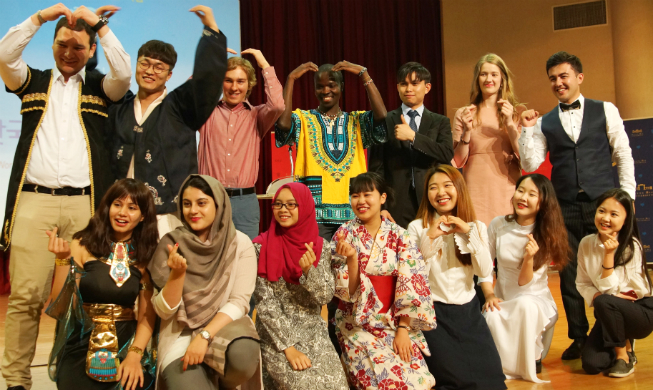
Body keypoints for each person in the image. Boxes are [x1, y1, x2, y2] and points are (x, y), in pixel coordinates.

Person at [0, 5, 131, 388]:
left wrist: (99, 26)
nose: (69, 52)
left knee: (93, 295)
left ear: (91, 51)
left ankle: (84, 374)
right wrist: (39, 18)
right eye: (62, 44)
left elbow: (123, 72)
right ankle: (16, 382)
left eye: (78, 46)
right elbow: (6, 54)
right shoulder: (32, 80)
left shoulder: (100, 87)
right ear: (53, 44)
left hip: (86, 205)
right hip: (34, 201)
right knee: (24, 298)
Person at [519, 51, 636, 360]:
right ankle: (580, 337)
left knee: (613, 269)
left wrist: (629, 199)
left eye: (563, 76)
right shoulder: (545, 121)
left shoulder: (605, 110)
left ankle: (619, 339)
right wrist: (528, 128)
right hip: (564, 205)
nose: (558, 83)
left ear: (579, 77)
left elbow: (622, 154)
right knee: (570, 275)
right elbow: (530, 163)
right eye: (553, 79)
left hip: (604, 204)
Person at [108, 5, 228, 238]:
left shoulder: (179, 106)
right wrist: (97, 27)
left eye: (159, 67)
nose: (150, 71)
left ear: (169, 74)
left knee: (164, 272)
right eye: (144, 64)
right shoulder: (120, 106)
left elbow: (206, 82)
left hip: (164, 214)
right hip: (121, 212)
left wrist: (212, 31)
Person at [149, 175, 261, 390]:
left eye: (202, 203)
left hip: (223, 327)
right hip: (179, 334)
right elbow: (164, 312)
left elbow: (239, 301)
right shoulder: (171, 244)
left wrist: (204, 336)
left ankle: (223, 383)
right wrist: (177, 275)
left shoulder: (239, 243)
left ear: (218, 204)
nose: (193, 211)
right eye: (187, 204)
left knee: (243, 355)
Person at [44, 179, 158, 390]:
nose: (122, 212)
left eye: (132, 208)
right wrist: (61, 260)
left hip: (126, 343)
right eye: (117, 205)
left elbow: (146, 316)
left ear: (143, 216)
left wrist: (135, 354)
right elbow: (61, 308)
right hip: (80, 341)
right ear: (107, 208)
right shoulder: (81, 243)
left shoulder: (147, 255)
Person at [332, 172, 436, 390]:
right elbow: (346, 293)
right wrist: (352, 259)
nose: (360, 201)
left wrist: (403, 330)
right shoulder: (344, 233)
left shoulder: (400, 235)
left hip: (393, 321)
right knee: (383, 384)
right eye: (355, 195)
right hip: (355, 322)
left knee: (421, 382)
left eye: (367, 194)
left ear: (382, 197)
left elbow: (412, 280)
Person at [407, 165, 506, 390]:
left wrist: (468, 233)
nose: (441, 192)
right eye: (433, 188)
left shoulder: (477, 227)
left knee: (493, 381)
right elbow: (414, 278)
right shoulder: (416, 228)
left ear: (459, 189)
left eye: (447, 186)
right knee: (453, 381)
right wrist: (430, 237)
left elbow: (483, 271)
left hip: (468, 312)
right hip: (433, 315)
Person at [275, 61, 388, 242]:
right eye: (320, 87)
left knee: (352, 266)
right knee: (318, 266)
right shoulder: (304, 119)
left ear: (341, 87)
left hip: (353, 209)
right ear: (314, 90)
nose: (326, 90)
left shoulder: (356, 121)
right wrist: (291, 79)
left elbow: (382, 115)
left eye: (331, 85)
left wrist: (363, 74)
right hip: (315, 212)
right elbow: (282, 124)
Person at [252, 183, 348, 390]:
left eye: (290, 204)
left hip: (313, 331)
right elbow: (265, 303)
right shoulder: (260, 247)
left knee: (338, 385)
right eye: (278, 204)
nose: (283, 210)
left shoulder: (320, 247)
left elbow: (324, 297)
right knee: (302, 384)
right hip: (276, 333)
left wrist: (308, 272)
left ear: (304, 207)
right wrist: (289, 348)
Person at [480, 174, 569, 383]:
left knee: (524, 305)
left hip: (535, 300)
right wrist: (489, 294)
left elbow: (525, 284)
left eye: (532, 194)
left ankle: (531, 359)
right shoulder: (498, 225)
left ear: (542, 202)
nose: (523, 197)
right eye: (520, 190)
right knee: (492, 315)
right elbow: (484, 266)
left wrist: (529, 258)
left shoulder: (547, 232)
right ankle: (504, 366)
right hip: (503, 298)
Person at [198, 49, 284, 240]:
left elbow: (278, 105)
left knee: (246, 262)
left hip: (245, 202)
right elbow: (190, 93)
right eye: (228, 80)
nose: (234, 87)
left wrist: (263, 62)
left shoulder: (258, 116)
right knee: (209, 264)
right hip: (211, 198)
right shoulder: (206, 113)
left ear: (249, 84)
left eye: (240, 81)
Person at [576, 188, 653, 377]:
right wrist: (599, 297)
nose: (605, 218)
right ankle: (620, 337)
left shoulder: (631, 246)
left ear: (625, 219)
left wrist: (608, 256)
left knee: (604, 301)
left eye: (614, 214)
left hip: (640, 313)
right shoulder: (586, 243)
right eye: (601, 211)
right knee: (591, 364)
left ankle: (624, 355)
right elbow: (582, 283)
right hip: (610, 314)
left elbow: (615, 292)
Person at [369, 62, 453, 229]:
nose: (409, 89)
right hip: (396, 203)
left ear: (427, 87)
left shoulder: (440, 121)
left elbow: (446, 153)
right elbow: (376, 169)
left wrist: (413, 137)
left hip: (431, 198)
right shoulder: (385, 120)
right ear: (397, 87)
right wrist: (381, 207)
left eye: (415, 84)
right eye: (403, 84)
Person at [452, 53, 524, 227]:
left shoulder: (515, 113)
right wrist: (467, 132)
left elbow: (523, 156)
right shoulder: (464, 113)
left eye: (494, 74)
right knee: (478, 242)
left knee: (507, 243)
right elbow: (458, 161)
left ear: (502, 79)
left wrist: (509, 124)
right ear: (477, 79)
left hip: (506, 185)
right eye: (483, 74)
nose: (488, 79)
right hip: (475, 187)